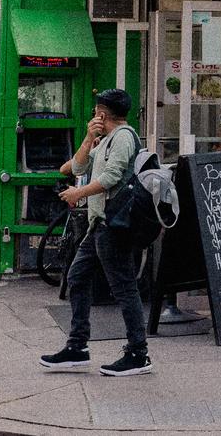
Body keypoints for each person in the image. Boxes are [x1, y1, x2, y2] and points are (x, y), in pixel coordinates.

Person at [39, 89, 154, 376]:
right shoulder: (104, 140)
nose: (93, 114)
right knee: (77, 277)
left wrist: (79, 192)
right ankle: (77, 347)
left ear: (103, 114)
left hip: (114, 225)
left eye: (96, 111)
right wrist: (89, 138)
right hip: (98, 225)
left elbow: (111, 177)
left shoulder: (124, 137)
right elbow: (73, 166)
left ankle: (138, 353)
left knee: (124, 287)